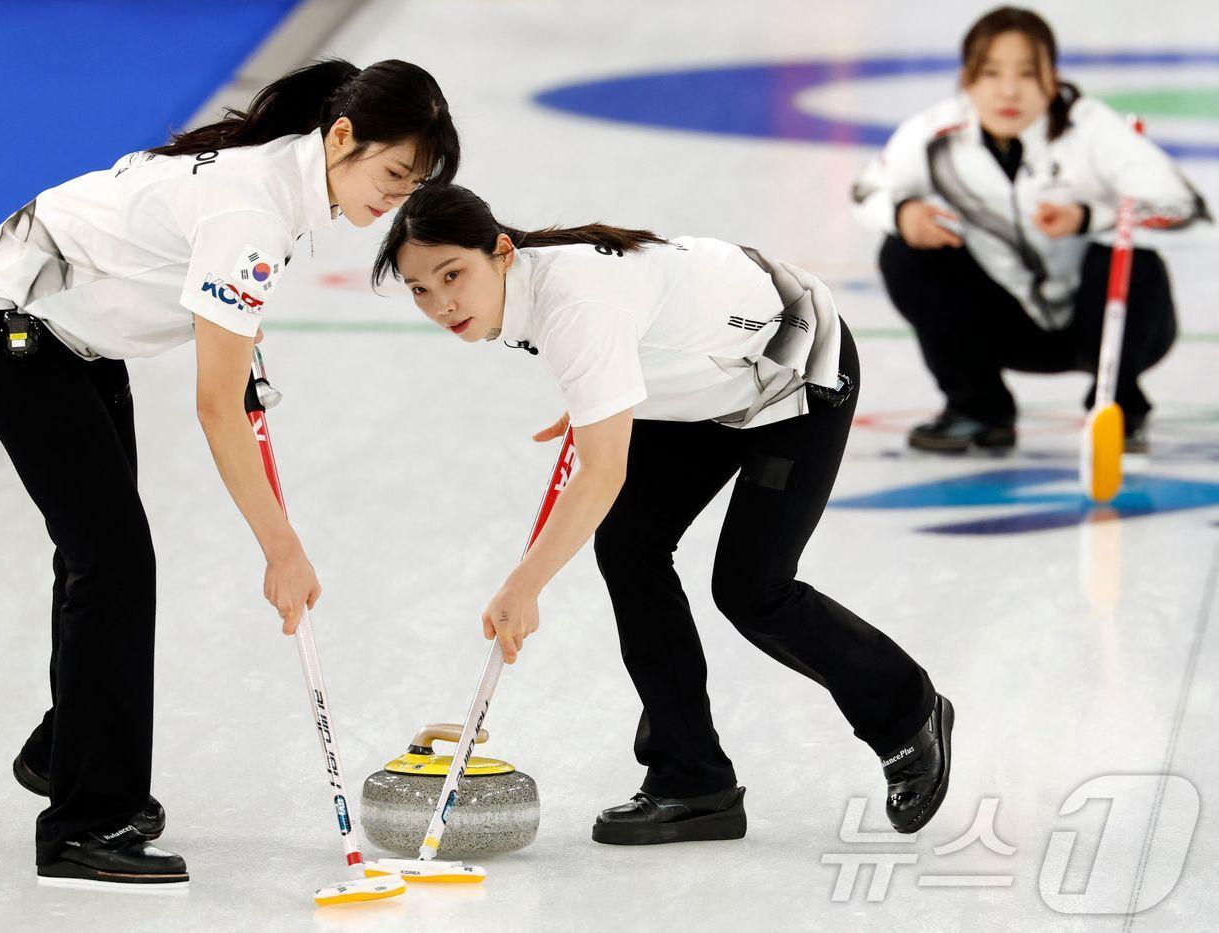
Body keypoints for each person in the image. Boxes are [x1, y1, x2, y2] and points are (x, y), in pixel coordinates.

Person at [0, 59, 458, 887]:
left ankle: (70, 755)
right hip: (20, 330)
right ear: (341, 138)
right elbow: (216, 408)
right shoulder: (253, 208)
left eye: (413, 185)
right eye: (394, 174)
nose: (394, 200)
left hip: (78, 336)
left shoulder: (284, 185)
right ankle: (85, 821)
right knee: (110, 562)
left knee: (100, 555)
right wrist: (282, 548)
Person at [373, 184, 951, 844]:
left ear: (501, 253)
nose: (442, 302)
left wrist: (522, 586)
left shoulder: (572, 299)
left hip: (795, 368)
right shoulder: (538, 285)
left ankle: (909, 713)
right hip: (708, 377)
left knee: (752, 587)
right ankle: (691, 778)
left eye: (453, 275)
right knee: (629, 543)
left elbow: (601, 471)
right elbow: (634, 331)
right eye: (420, 289)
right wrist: (600, 395)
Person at [852, 6, 1208, 453]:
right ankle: (978, 408)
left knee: (1129, 258)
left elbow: (1187, 208)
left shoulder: (1094, 129)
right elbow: (866, 191)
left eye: (1026, 73)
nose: (1008, 90)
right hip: (1005, 324)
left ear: (1053, 76)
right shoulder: (936, 135)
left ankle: (1120, 406)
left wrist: (1088, 217)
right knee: (903, 252)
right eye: (990, 72)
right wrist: (903, 214)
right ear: (967, 79)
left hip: (1104, 326)